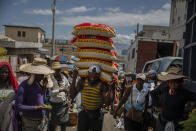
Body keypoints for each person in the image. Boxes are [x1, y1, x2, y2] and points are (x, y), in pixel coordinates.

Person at [70, 64, 114, 131]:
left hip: (97, 115)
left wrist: (111, 88)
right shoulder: (82, 81)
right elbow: (72, 96)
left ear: (99, 75)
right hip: (84, 113)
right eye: (92, 73)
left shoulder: (102, 85)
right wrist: (74, 78)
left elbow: (107, 103)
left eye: (96, 74)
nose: (93, 76)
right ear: (88, 73)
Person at [15, 58, 54, 131]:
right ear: (33, 73)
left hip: (42, 121)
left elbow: (46, 101)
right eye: (39, 74)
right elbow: (18, 106)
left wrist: (48, 106)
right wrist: (36, 107)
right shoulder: (24, 86)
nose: (42, 76)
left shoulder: (44, 84)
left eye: (43, 74)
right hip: (29, 122)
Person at [49, 62, 70, 131]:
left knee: (64, 122)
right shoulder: (50, 79)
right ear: (53, 70)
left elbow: (68, 87)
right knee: (53, 123)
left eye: (58, 69)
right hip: (54, 104)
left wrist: (69, 99)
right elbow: (51, 93)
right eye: (56, 69)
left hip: (63, 103)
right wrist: (62, 89)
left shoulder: (64, 77)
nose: (57, 71)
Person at [0, 62, 19, 131]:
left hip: (9, 113)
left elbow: (18, 97)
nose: (4, 74)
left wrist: (11, 104)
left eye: (6, 72)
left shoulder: (13, 85)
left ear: (9, 73)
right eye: (1, 72)